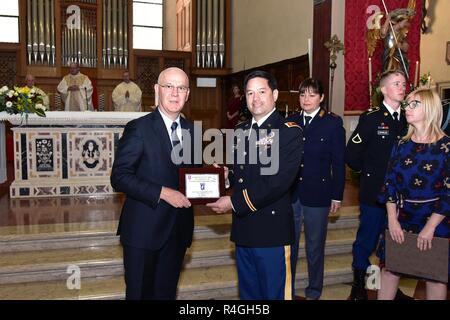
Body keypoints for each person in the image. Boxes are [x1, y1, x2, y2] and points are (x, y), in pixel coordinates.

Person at [207, 70, 303, 300]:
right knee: (249, 296)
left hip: (271, 232)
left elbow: (277, 182)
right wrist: (223, 176)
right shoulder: (241, 131)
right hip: (244, 229)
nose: (255, 98)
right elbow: (241, 173)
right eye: (250, 93)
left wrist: (233, 202)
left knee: (274, 295)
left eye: (261, 92)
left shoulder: (288, 132)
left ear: (275, 94)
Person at [110, 67, 198, 300]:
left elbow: (193, 175)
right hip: (143, 231)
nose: (175, 93)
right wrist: (162, 192)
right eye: (169, 86)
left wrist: (218, 176)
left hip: (178, 231)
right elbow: (119, 176)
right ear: (157, 90)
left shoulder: (191, 130)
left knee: (166, 294)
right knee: (140, 294)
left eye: (181, 88)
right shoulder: (139, 128)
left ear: (188, 94)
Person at [377, 87, 449, 300]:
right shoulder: (401, 143)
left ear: (429, 108)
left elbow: (448, 192)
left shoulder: (446, 146)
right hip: (402, 216)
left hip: (435, 218)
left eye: (414, 103)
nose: (407, 107)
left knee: (434, 277)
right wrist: (392, 219)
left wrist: (430, 227)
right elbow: (389, 184)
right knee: (390, 270)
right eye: (407, 103)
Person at [345, 70, 409, 300]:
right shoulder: (371, 118)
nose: (402, 87)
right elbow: (352, 154)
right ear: (384, 90)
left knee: (394, 241)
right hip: (375, 195)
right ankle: (358, 286)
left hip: (401, 196)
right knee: (367, 240)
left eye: (403, 83)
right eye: (396, 83)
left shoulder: (408, 117)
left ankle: (390, 286)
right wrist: (369, 176)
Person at [287, 78, 346, 300]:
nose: (306, 99)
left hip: (318, 195)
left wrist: (337, 195)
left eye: (312, 95)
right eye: (302, 95)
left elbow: (338, 163)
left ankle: (314, 291)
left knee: (314, 247)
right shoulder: (290, 121)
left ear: (321, 98)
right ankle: (287, 290)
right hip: (291, 194)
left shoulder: (332, 124)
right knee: (288, 246)